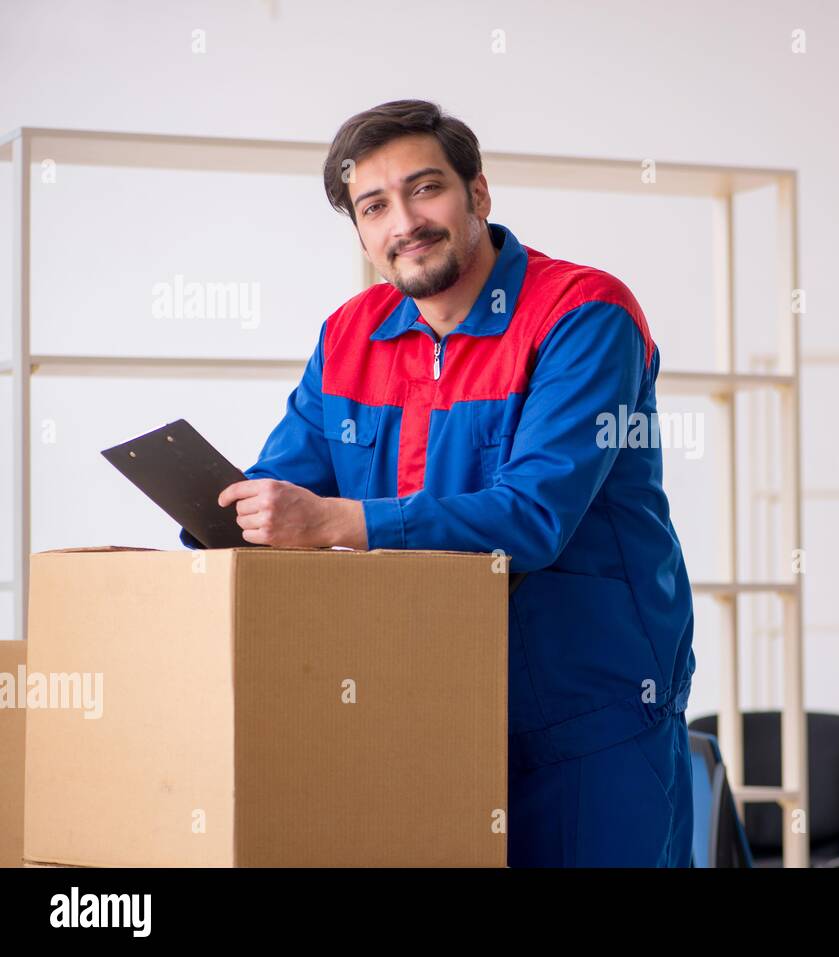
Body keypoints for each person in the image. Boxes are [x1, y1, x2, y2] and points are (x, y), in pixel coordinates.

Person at [180, 99, 696, 867]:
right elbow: (288, 484)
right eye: (375, 205)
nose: (405, 222)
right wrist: (219, 513)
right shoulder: (350, 335)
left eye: (426, 189)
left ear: (478, 194)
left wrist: (333, 523)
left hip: (590, 711)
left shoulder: (583, 313)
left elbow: (530, 518)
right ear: (359, 231)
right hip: (418, 706)